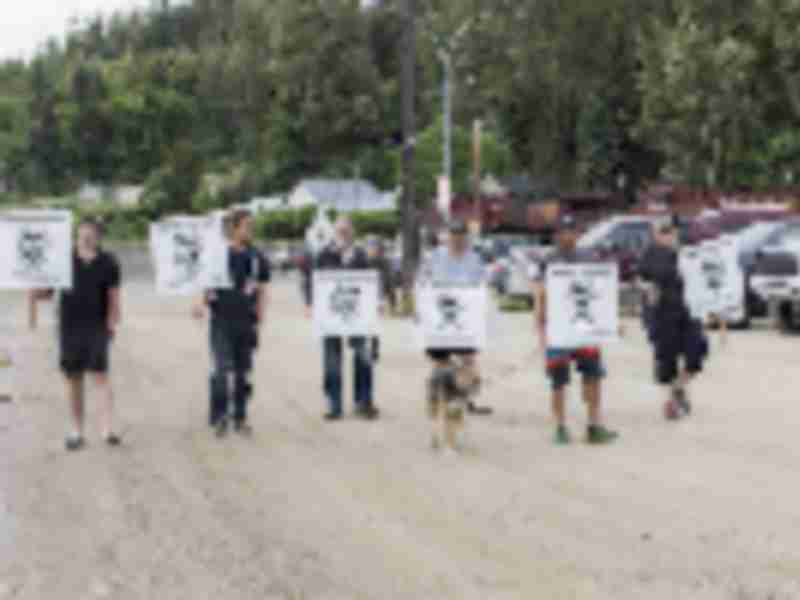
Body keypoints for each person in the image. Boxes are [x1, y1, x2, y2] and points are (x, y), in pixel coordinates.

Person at [29, 217, 122, 451]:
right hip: (69, 326)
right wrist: (34, 290)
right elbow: (46, 294)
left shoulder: (109, 262)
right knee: (74, 379)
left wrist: (112, 322)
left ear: (99, 236)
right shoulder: (61, 259)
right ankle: (76, 431)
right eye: (83, 232)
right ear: (76, 234)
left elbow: (113, 296)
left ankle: (107, 428)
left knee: (100, 376)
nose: (88, 236)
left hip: (97, 326)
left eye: (93, 232)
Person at [534, 214, 619, 445]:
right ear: (556, 235)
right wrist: (540, 325)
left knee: (593, 377)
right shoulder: (548, 260)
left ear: (577, 234)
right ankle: (560, 427)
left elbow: (602, 292)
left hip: (586, 330)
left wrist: (610, 321)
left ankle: (593, 425)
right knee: (559, 381)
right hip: (558, 330)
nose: (567, 236)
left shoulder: (590, 258)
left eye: (571, 231)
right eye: (563, 231)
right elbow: (540, 292)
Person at [193, 210, 271, 437]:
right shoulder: (217, 255)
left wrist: (261, 315)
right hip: (221, 320)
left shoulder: (257, 257)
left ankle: (240, 416)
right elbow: (205, 283)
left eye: (251, 225)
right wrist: (199, 303)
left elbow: (263, 288)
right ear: (234, 228)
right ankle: (219, 416)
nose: (250, 230)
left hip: (246, 321)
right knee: (221, 369)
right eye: (246, 225)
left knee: (242, 372)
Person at [419, 219, 491, 451]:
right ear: (447, 236)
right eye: (454, 234)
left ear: (467, 237)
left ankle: (455, 428)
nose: (458, 239)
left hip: (466, 325)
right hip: (440, 325)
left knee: (464, 378)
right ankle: (436, 425)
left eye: (462, 235)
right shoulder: (434, 258)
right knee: (441, 376)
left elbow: (482, 289)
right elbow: (422, 286)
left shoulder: (475, 260)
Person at [304, 216, 381, 421]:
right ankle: (333, 403)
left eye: (347, 231)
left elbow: (373, 283)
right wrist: (310, 304)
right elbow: (312, 281)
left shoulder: (362, 256)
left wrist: (376, 305)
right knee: (332, 360)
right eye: (340, 231)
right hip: (330, 316)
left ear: (353, 232)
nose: (344, 235)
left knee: (363, 357)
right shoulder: (324, 254)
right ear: (334, 233)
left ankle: (363, 401)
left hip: (359, 316)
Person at [638, 216, 708, 420]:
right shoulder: (650, 254)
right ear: (655, 234)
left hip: (690, 311)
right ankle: (674, 401)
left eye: (671, 231)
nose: (668, 235)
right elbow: (640, 279)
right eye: (663, 231)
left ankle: (679, 388)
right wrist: (647, 289)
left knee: (697, 353)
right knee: (667, 362)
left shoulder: (688, 253)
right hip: (663, 312)